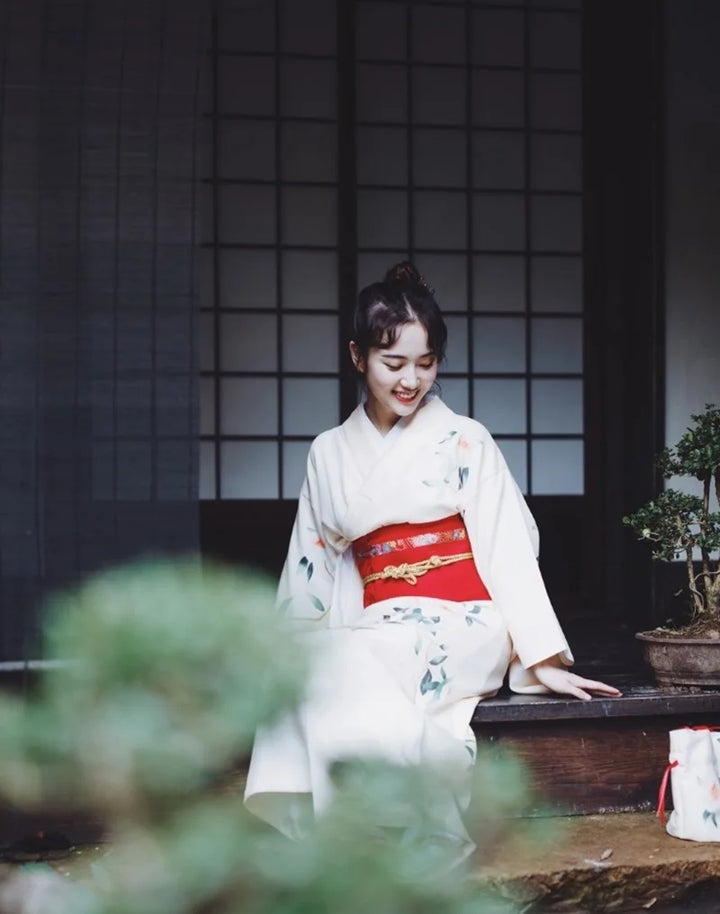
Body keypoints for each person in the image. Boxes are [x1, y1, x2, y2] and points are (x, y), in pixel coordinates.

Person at [244, 262, 620, 860]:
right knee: (317, 657)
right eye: (394, 363)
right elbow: (309, 561)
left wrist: (542, 657)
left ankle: (412, 830)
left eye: (427, 363)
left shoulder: (466, 439)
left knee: (346, 657)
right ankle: (374, 829)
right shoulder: (329, 452)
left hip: (464, 619)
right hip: (378, 623)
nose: (411, 380)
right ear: (357, 356)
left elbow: (506, 548)